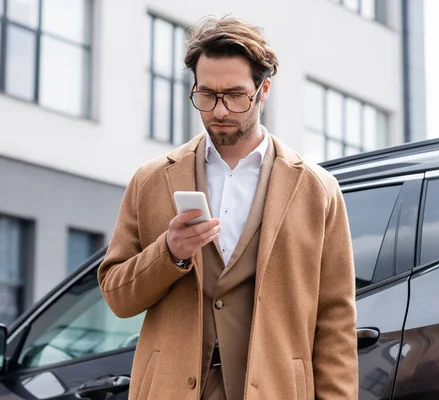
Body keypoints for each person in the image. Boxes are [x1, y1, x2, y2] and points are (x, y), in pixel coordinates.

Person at [98, 14, 358, 400]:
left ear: (263, 89)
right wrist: (169, 253)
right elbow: (117, 297)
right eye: (206, 95)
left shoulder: (317, 190)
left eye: (235, 95)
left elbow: (335, 319)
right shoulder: (150, 181)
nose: (219, 110)